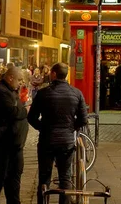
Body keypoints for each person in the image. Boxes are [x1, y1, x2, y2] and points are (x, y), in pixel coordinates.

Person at [28, 63, 88, 204]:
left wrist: (42, 128)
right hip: (66, 142)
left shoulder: (43, 93)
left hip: (47, 140)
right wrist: (70, 128)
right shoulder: (76, 93)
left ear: (54, 74)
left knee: (44, 178)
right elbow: (83, 119)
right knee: (65, 178)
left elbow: (31, 117)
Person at [0, 67, 29, 204]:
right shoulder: (0, 91)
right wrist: (25, 110)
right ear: (10, 78)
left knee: (14, 176)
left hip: (13, 143)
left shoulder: (11, 90)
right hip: (0, 143)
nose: (21, 83)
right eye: (19, 80)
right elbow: (13, 112)